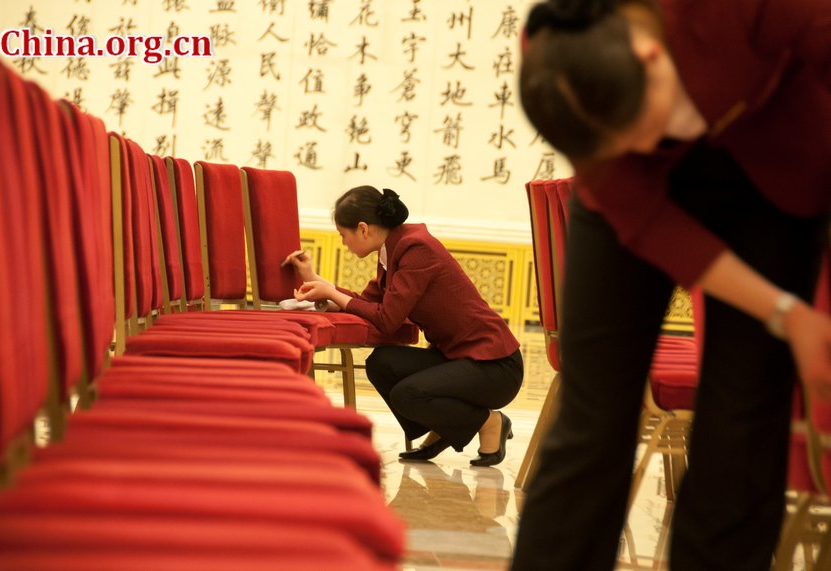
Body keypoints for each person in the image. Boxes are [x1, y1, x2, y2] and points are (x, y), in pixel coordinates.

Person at [512, 1, 831, 569]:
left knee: (745, 417)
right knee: (592, 416)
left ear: (651, 54)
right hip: (627, 202)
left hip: (777, 172)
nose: (650, 151)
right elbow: (649, 220)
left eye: (647, 132)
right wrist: (790, 313)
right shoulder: (563, 66)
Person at [285, 186, 523, 467]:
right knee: (382, 363)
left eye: (343, 235)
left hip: (495, 366)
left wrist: (333, 294)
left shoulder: (415, 248)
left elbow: (387, 319)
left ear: (363, 229)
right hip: (460, 358)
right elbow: (365, 303)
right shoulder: (393, 249)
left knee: (407, 393)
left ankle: (490, 422)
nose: (343, 243)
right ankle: (447, 424)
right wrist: (312, 278)